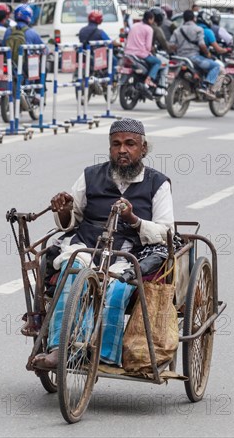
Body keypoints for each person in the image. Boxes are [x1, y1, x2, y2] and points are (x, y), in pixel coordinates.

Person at [31, 118, 174, 369]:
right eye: (116, 144)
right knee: (70, 272)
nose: (122, 150)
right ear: (109, 148)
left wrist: (133, 219)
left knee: (116, 288)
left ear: (143, 148)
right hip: (88, 244)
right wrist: (64, 209)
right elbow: (70, 219)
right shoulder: (90, 176)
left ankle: (104, 353)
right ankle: (59, 348)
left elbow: (165, 231)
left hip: (131, 252)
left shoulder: (158, 183)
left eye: (130, 144)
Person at [170, 10, 220, 98]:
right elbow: (202, 45)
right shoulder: (198, 29)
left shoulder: (177, 30)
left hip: (179, 58)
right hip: (194, 58)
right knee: (216, 66)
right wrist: (208, 54)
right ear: (194, 18)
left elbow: (172, 45)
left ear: (184, 19)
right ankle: (205, 87)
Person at [124, 10, 164, 92]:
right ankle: (148, 79)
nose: (153, 21)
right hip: (140, 54)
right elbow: (148, 47)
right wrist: (152, 49)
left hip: (128, 52)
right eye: (152, 19)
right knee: (157, 62)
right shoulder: (149, 29)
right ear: (150, 19)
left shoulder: (134, 26)